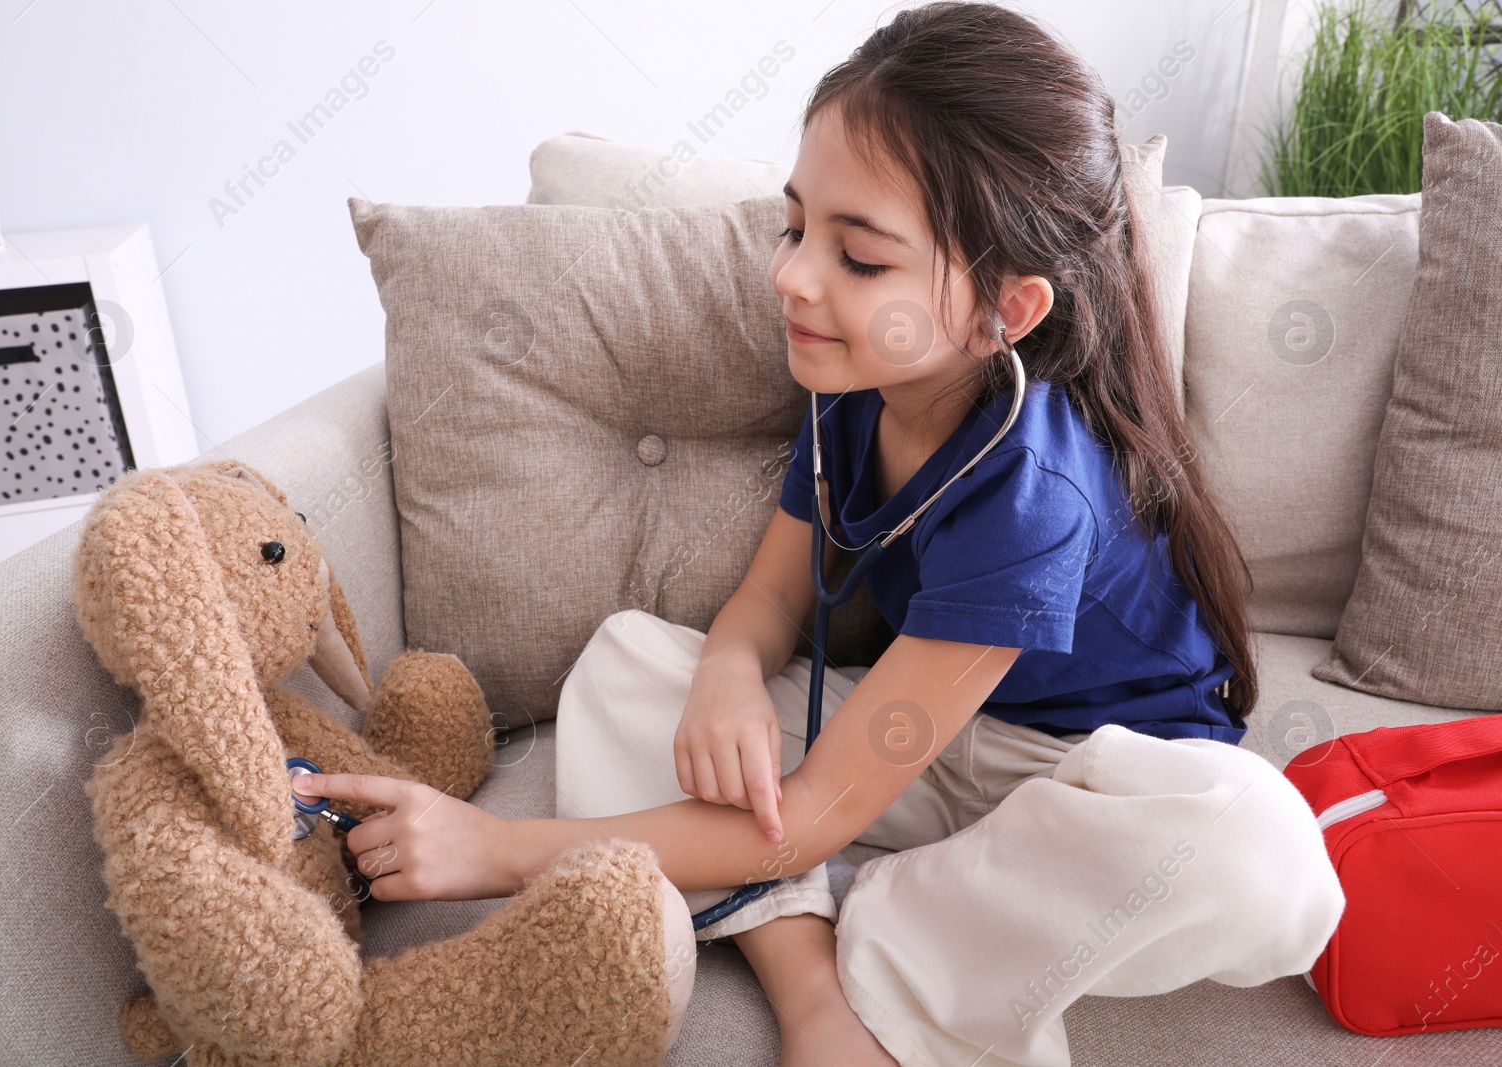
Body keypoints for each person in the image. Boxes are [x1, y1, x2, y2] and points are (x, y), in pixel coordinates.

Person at [291, 4, 1346, 1065]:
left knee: (1262, 853)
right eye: (796, 226)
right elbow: (767, 599)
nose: (793, 277)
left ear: (1004, 312)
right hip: (916, 752)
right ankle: (816, 985)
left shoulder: (1031, 494)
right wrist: (730, 674)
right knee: (623, 664)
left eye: (861, 257)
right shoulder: (853, 389)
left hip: (1078, 781)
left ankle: (885, 925)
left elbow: (804, 815)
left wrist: (493, 846)